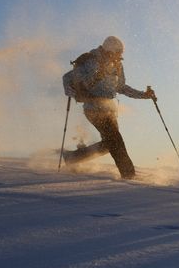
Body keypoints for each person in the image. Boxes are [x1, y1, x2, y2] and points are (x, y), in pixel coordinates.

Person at [61, 35, 155, 179]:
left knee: (108, 144)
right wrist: (72, 93)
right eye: (118, 52)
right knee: (116, 141)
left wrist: (145, 95)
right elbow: (67, 78)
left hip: (109, 109)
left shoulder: (117, 65)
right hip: (93, 108)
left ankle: (73, 158)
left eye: (121, 52)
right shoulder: (91, 60)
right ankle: (129, 175)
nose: (120, 55)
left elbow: (121, 87)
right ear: (110, 49)